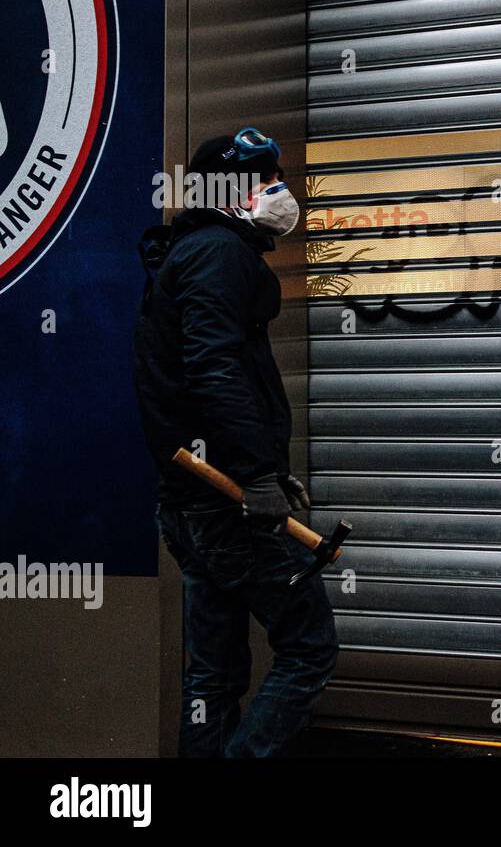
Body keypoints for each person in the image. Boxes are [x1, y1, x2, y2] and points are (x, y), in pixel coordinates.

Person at [132, 128, 338, 757]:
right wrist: (256, 475)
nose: (280, 192)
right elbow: (214, 369)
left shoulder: (191, 252)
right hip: (225, 506)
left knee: (213, 673)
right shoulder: (218, 253)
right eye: (263, 180)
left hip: (196, 500)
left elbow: (201, 376)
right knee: (308, 648)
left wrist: (268, 471)